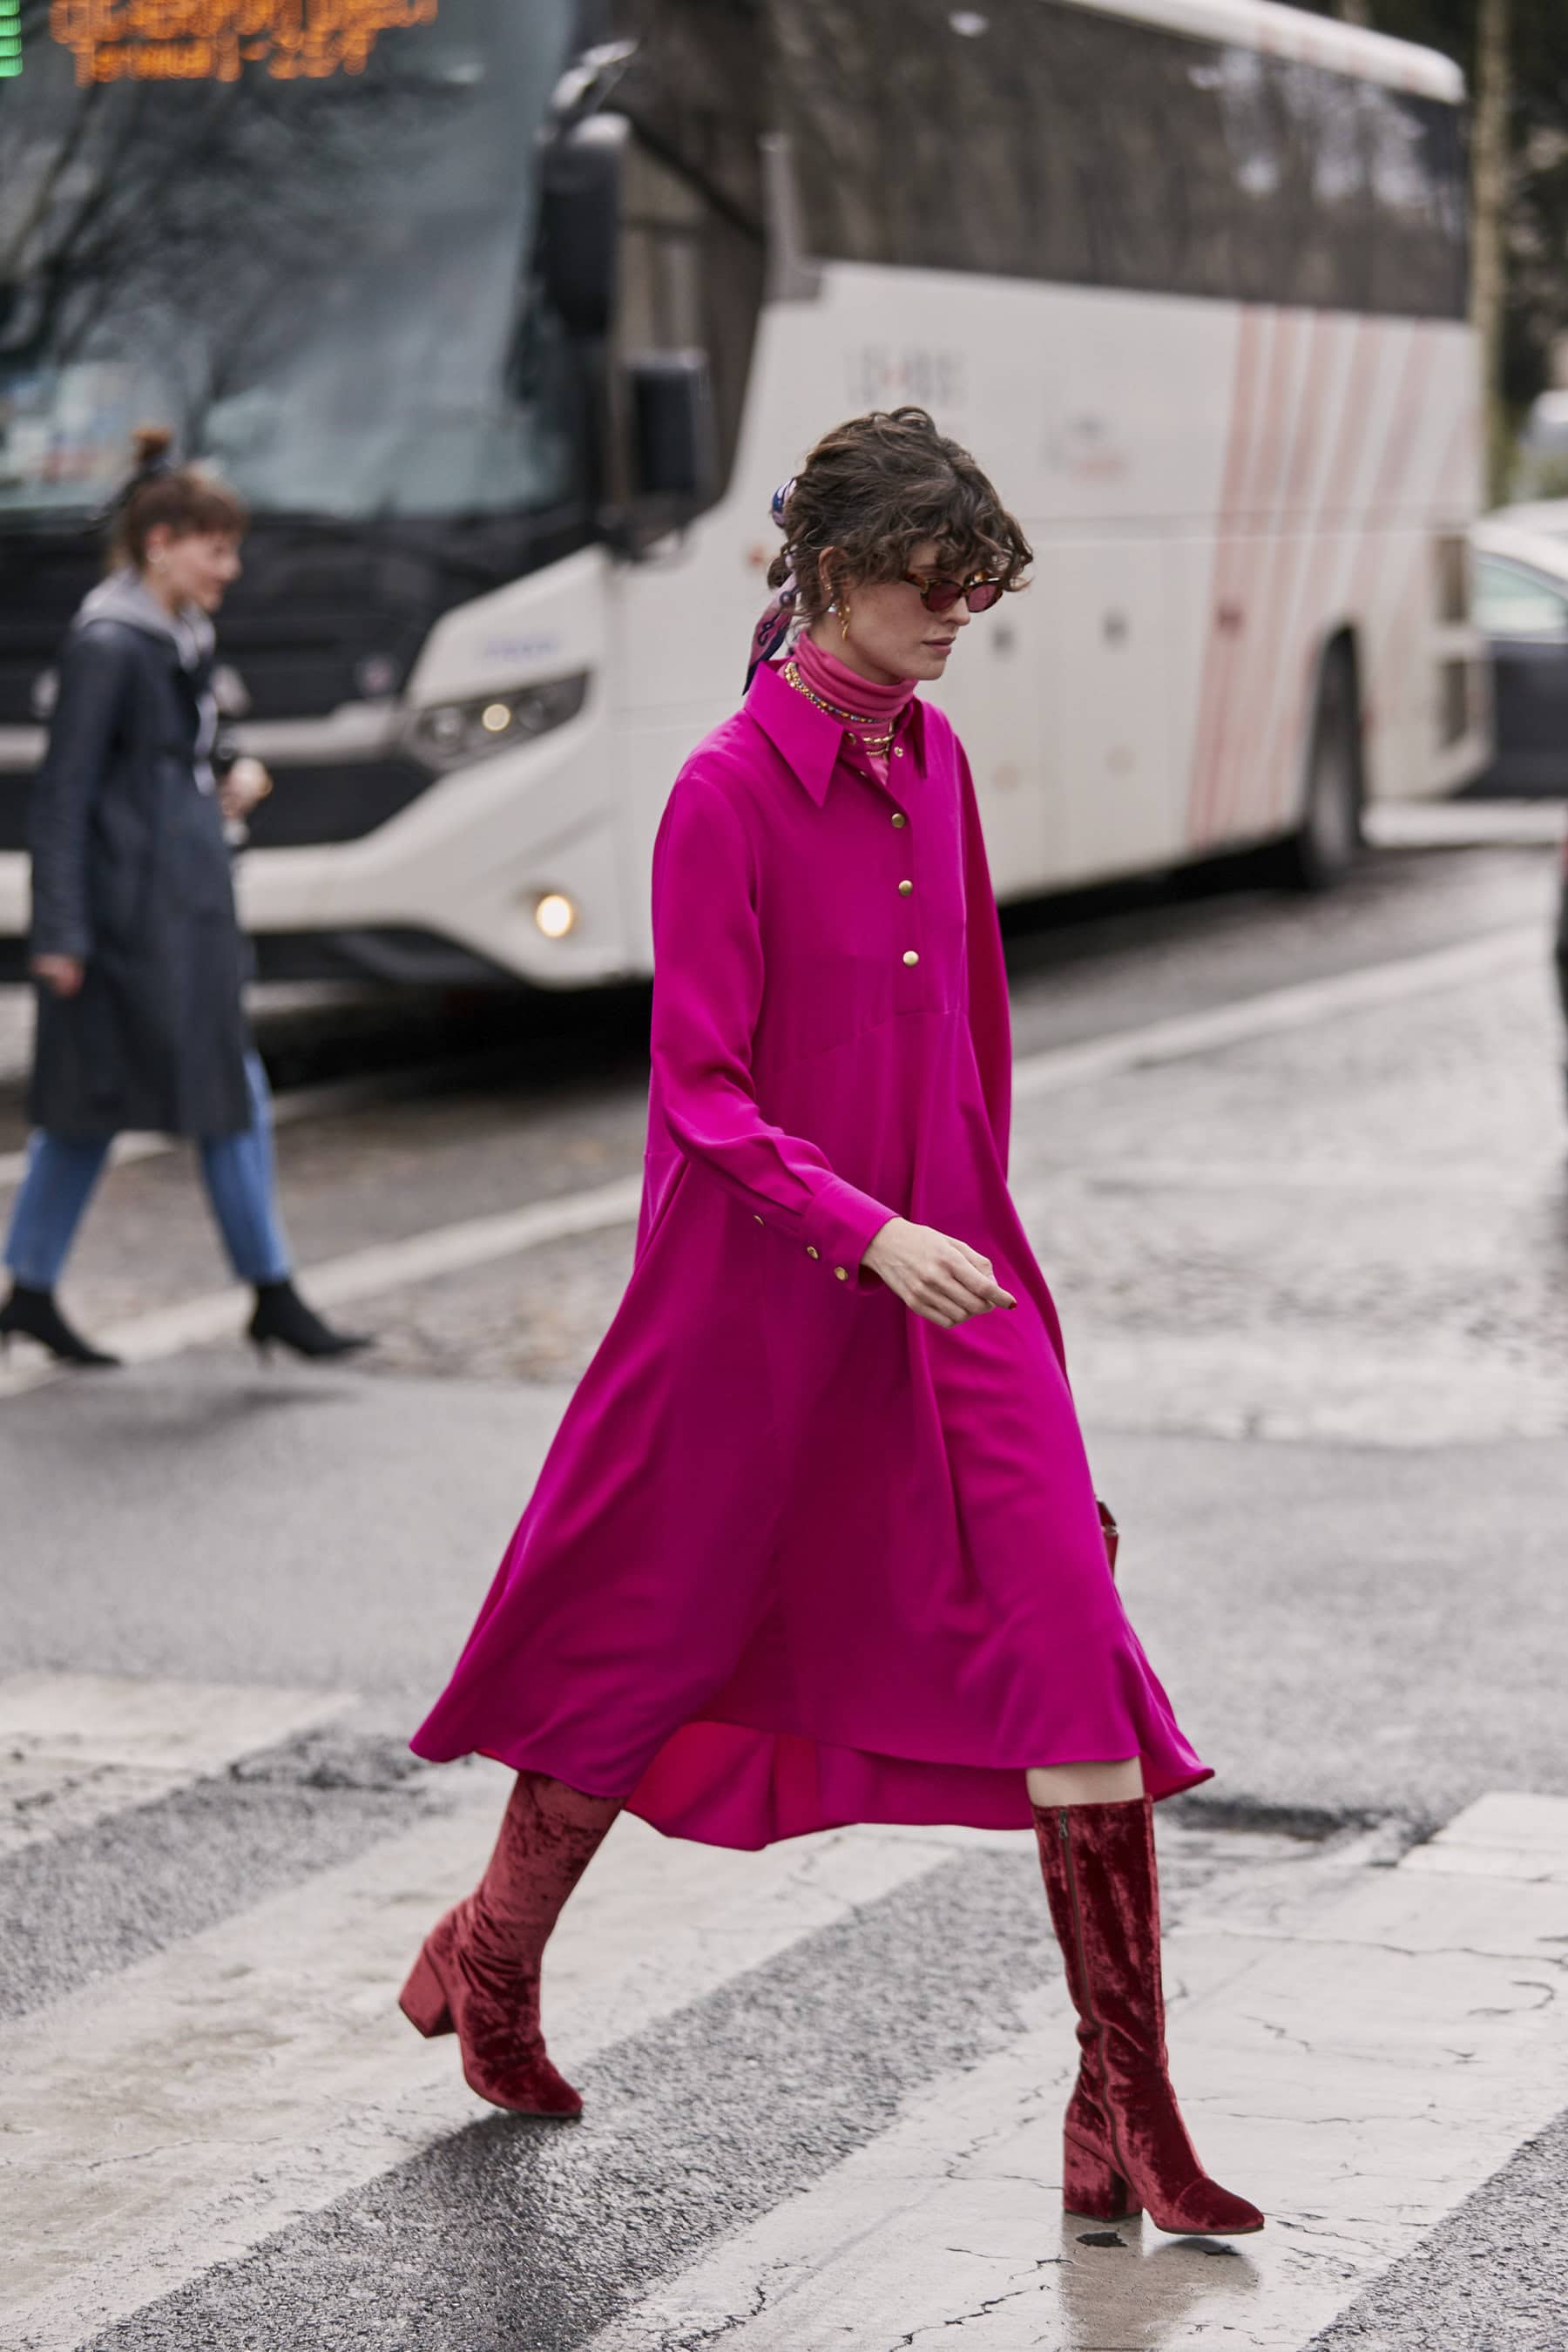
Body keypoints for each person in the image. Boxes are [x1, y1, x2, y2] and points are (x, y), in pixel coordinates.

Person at [401, 409, 1262, 2239]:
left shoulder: (937, 764)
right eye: (933, 582)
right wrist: (862, 1233)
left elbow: (975, 1056)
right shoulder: (721, 791)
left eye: (977, 588)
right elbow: (702, 1095)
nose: (961, 614)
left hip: (957, 1297)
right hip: (754, 1310)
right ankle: (491, 1960)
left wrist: (1005, 1298)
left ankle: (1126, 2114)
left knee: (1075, 1658)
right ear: (829, 574)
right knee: (643, 1645)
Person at [0, 429, 366, 1369]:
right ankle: (271, 1293)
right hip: (138, 923)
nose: (231, 569)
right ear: (161, 542)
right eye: (216, 549)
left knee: (97, 1108)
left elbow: (174, 763)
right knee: (215, 1095)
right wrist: (62, 933)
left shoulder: (174, 635)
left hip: (173, 908)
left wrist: (226, 776)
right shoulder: (113, 646)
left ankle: (31, 1290)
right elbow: (67, 793)